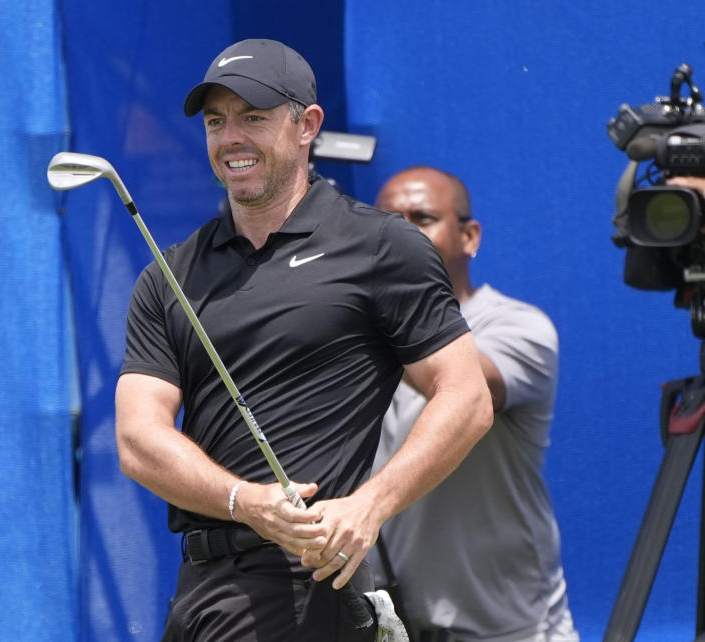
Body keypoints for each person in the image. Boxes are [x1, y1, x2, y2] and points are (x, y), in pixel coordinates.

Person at [115, 39, 493, 642]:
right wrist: (244, 500)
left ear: (306, 125)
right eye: (217, 122)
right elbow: (138, 440)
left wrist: (370, 505)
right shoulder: (171, 273)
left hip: (304, 584)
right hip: (199, 590)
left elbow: (467, 397)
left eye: (253, 118)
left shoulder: (380, 245)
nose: (231, 137)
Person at [366, 166, 578, 641]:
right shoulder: (353, 339)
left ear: (470, 235)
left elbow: (469, 389)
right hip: (391, 626)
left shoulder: (519, 327)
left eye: (421, 218)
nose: (401, 234)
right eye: (386, 223)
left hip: (508, 629)